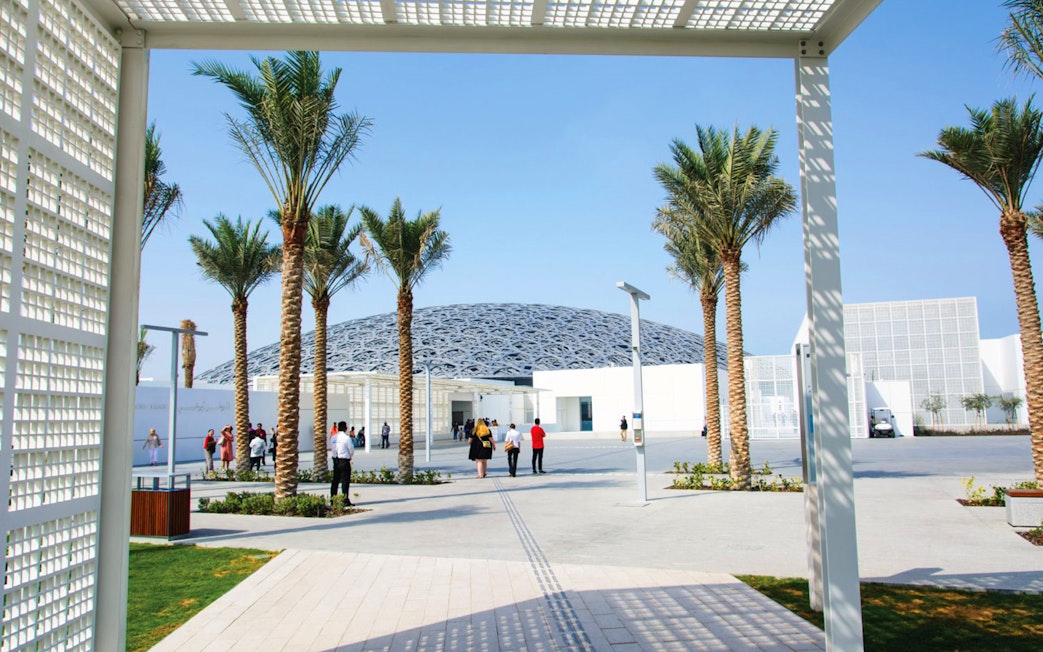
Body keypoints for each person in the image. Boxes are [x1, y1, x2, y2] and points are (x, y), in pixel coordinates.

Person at [330, 421, 354, 505]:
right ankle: (345, 500)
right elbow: (351, 450)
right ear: (345, 428)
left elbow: (332, 449)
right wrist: (349, 457)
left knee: (335, 481)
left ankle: (333, 499)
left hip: (336, 460)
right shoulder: (346, 438)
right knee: (345, 481)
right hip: (344, 461)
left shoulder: (333, 438)